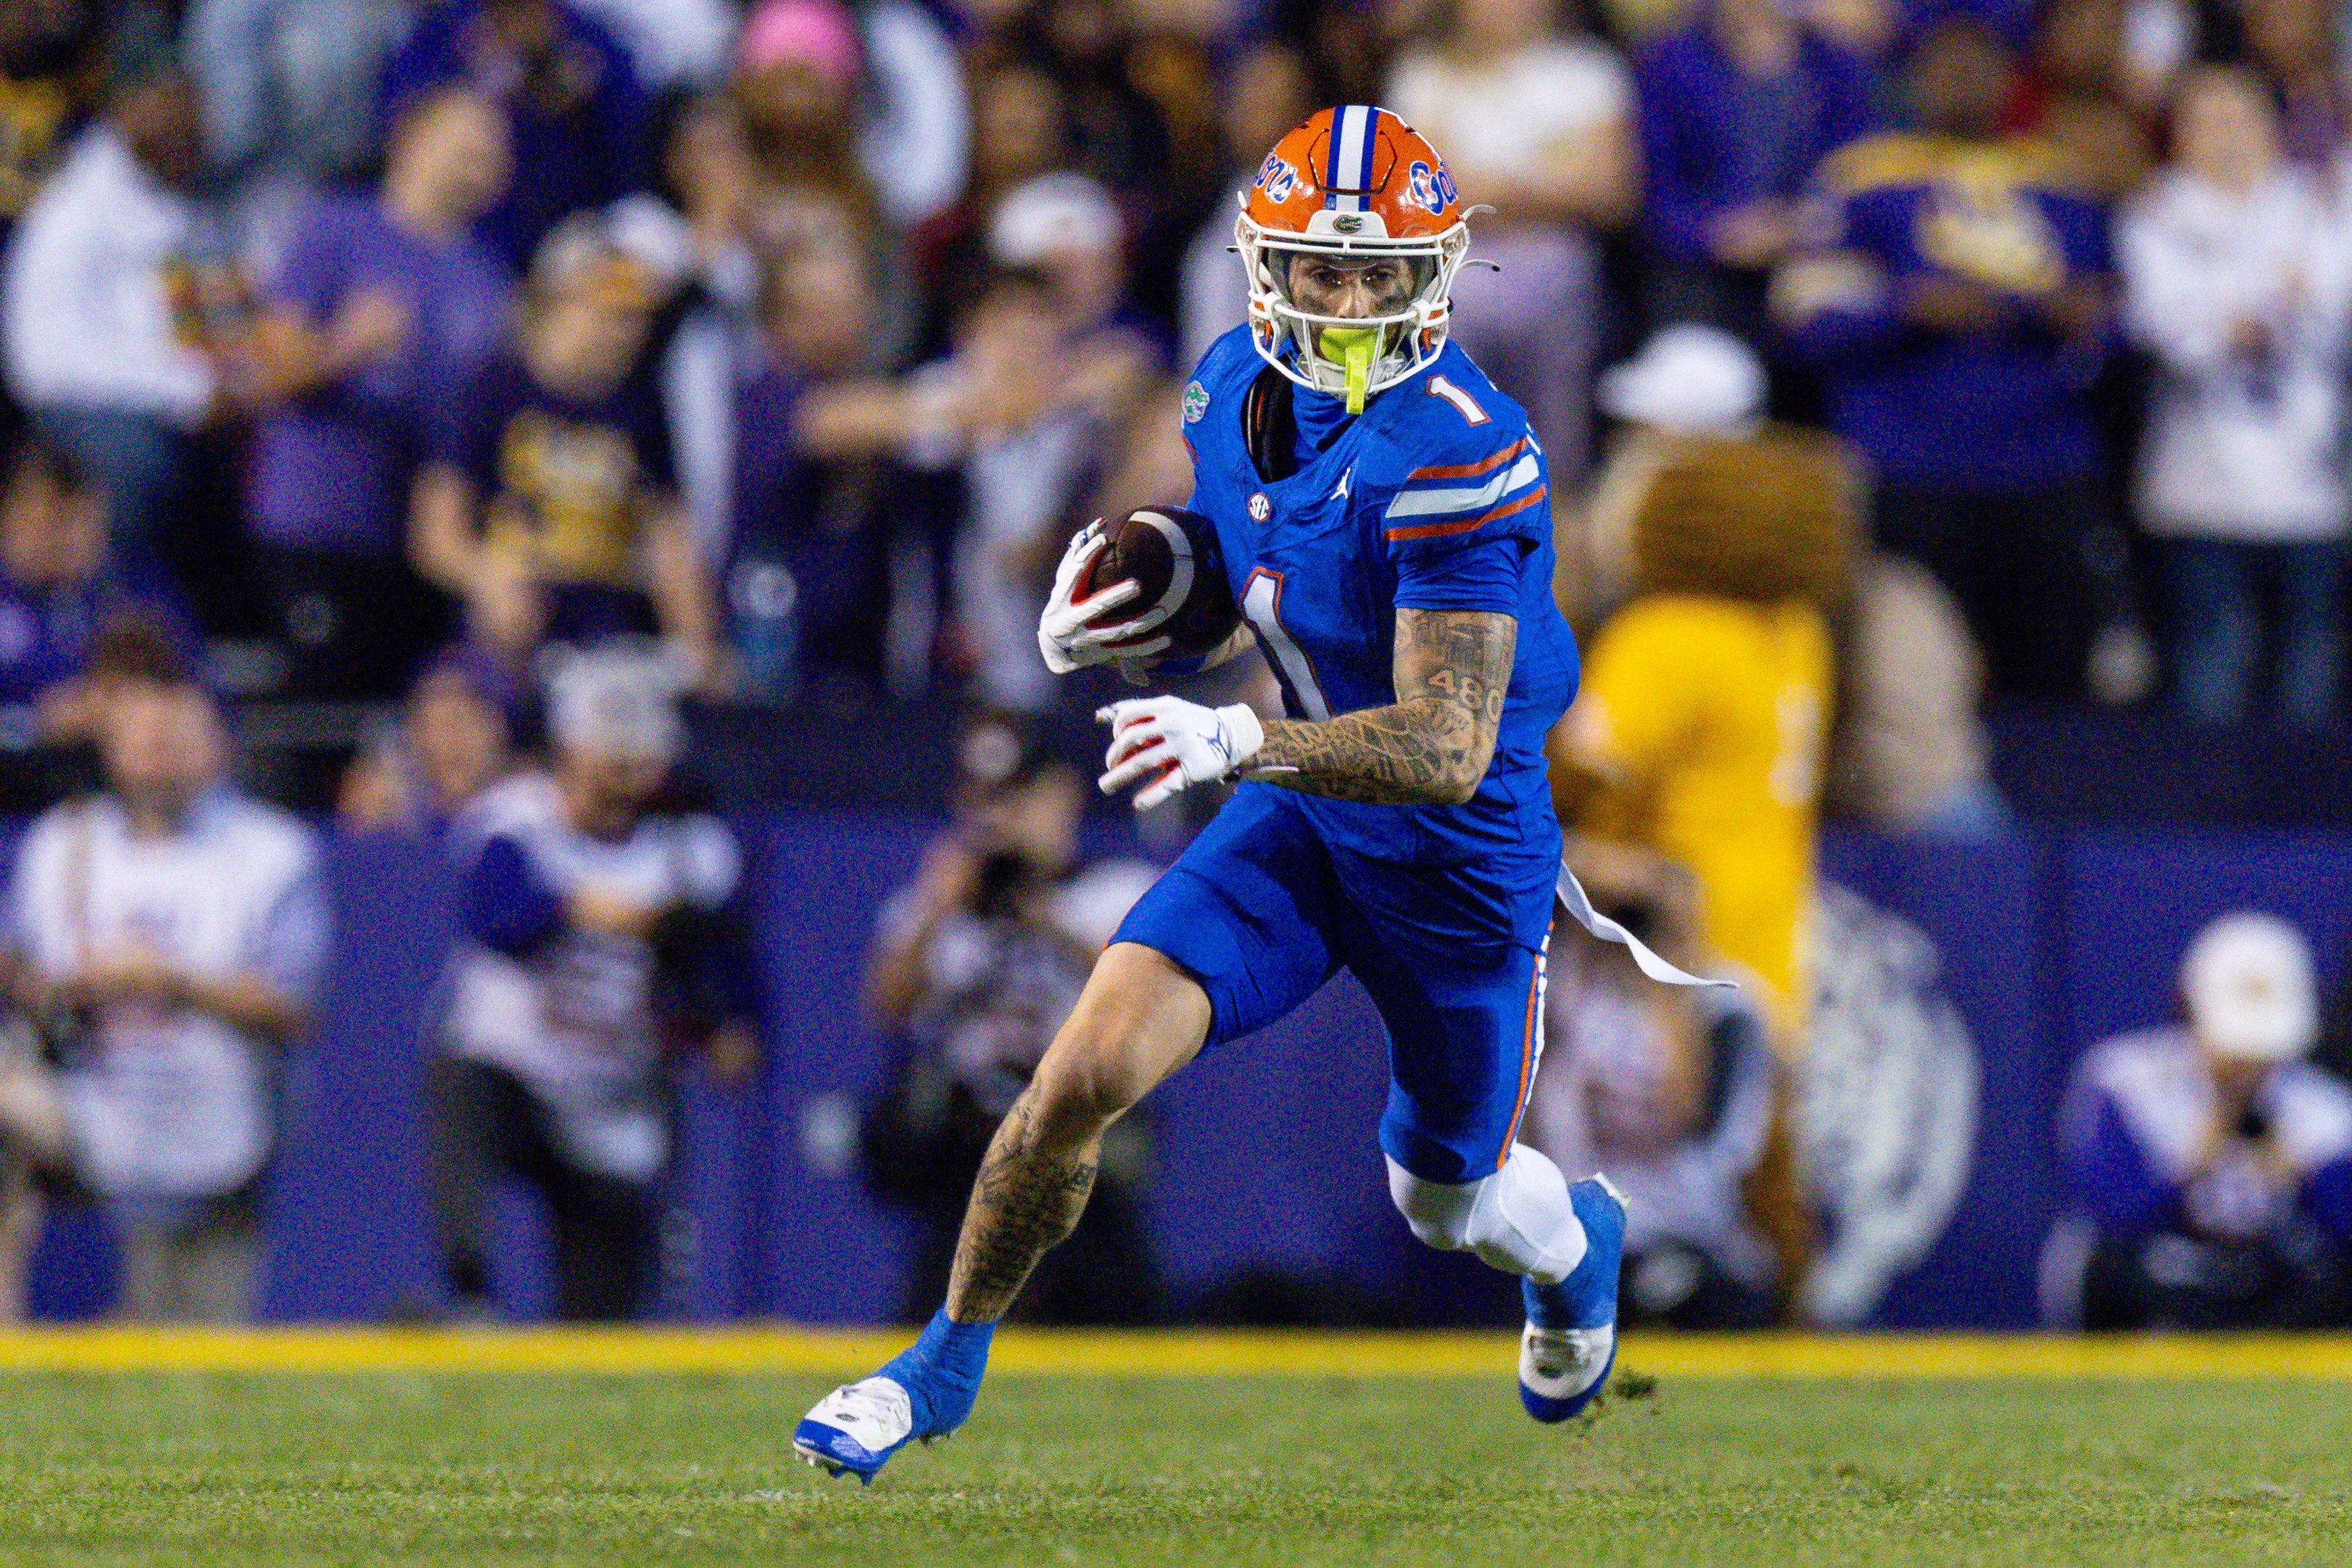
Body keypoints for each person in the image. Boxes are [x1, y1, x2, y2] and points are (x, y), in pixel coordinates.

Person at [797, 106, 1698, 1484]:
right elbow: (1246, 567)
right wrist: (1135, 577)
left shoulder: (1463, 447)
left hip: (1453, 863)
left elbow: (1442, 744)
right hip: (1300, 818)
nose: (1346, 302)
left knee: (1443, 1198)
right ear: (1264, 265)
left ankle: (1573, 1245)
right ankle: (935, 1365)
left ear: (1433, 276)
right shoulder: (1226, 383)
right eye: (1319, 270)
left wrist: (1235, 743)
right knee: (1078, 1071)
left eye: (1378, 273)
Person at [1772, 17, 2118, 702]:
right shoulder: (1861, 179)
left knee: (2051, 673)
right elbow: (1806, 320)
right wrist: (1909, 307)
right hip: (1908, 464)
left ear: (2010, 79)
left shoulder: (2065, 185)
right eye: (1946, 66)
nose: (1964, 81)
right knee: (1906, 673)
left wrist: (2060, 312)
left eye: (1982, 65)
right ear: (1915, 78)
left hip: (2043, 465)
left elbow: (2119, 326)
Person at [0, 626, 328, 1322]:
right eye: (143, 734)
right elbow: (25, 974)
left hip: (223, 1121)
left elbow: (296, 1007)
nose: (158, 750)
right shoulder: (64, 841)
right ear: (112, 746)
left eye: (177, 733)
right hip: (91, 1108)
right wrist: (54, 985)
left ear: (218, 746)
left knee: (198, 1351)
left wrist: (166, 979)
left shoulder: (271, 850)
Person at [428, 644, 757, 1320]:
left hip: (614, 1092)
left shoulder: (692, 849)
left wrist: (724, 1025)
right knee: (458, 1081)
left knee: (598, 1319)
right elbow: (498, 921)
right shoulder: (515, 819)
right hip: (514, 1068)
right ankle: (470, 1290)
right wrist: (588, 910)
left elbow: (728, 977)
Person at [860, 713, 1161, 1324]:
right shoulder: (940, 906)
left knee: (1123, 1329)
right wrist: (940, 903)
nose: (999, 815)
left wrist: (1039, 911)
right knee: (936, 1323)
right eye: (983, 797)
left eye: (1017, 795)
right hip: (968, 1155)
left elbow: (1141, 995)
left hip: (1080, 1145)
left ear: (1062, 795)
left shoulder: (1112, 889)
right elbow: (885, 1004)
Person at [242, 86, 515, 700]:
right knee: (322, 705)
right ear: (411, 141)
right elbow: (268, 371)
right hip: (319, 518)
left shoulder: (487, 273)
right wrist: (347, 344)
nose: (488, 152)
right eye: (469, 135)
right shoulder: (333, 229)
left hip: (422, 536)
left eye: (498, 143)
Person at [2120, 68, 2352, 729]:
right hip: (2200, 485)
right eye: (2207, 119)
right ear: (2179, 134)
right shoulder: (2156, 213)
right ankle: (2205, 826)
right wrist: (2270, 298)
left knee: (2310, 671)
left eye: (2240, 117)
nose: (2227, 136)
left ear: (2272, 127)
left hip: (2310, 483)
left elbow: (2333, 310)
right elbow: (2169, 329)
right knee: (2206, 673)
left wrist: (2231, 305)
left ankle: (2307, 826)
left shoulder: (2321, 203)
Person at [410, 215, 726, 687]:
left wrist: (700, 648)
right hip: (512, 640)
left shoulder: (641, 407)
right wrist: (486, 580)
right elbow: (434, 535)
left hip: (613, 642)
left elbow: (669, 541)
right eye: (614, 310)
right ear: (558, 299)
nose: (630, 332)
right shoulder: (493, 391)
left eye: (641, 316)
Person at [3, 19, 241, 558]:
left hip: (190, 409)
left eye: (191, 102)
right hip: (92, 413)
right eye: (167, 101)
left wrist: (242, 378)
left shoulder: (192, 207)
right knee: (140, 463)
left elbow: (224, 327)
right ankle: (112, 601)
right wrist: (189, 392)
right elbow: (47, 361)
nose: (186, 120)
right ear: (126, 107)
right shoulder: (74, 208)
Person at [2055, 913, 2352, 1328]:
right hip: (2167, 1282)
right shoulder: (2127, 1083)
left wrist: (2305, 1179)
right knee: (2102, 1265)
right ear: (2190, 1010)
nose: (2249, 1065)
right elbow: (2110, 1216)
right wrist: (2190, 1165)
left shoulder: (2323, 1105)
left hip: (2270, 1291)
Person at [1520, 858, 1781, 1329]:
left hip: (1699, 1230)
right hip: (1591, 1231)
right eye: (1657, 917)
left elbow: (1717, 1143)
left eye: (1679, 918)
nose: (1665, 932)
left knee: (1728, 1295)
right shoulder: (1589, 1001)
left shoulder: (1730, 1007)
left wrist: (1669, 1002)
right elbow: (1554, 1116)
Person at [1386, 0, 1639, 483]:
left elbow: (1610, 193)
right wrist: (1549, 177)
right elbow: (1418, 197)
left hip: (1558, 261)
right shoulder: (1425, 74)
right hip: (1459, 265)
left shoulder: (1590, 72)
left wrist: (1489, 186)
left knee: (1556, 437)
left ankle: (1557, 501)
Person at [1634, 0, 1879, 347]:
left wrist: (1804, 226)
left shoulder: (1834, 62)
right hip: (1704, 264)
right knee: (1693, 315)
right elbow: (1656, 193)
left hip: (1814, 250)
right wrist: (1719, 234)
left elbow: (1859, 171)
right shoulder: (1669, 61)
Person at [0, 436, 194, 735]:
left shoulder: (136, 587)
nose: (57, 539)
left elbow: (195, 683)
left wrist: (126, 702)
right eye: (40, 519)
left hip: (123, 764)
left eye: (72, 520)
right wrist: (37, 724)